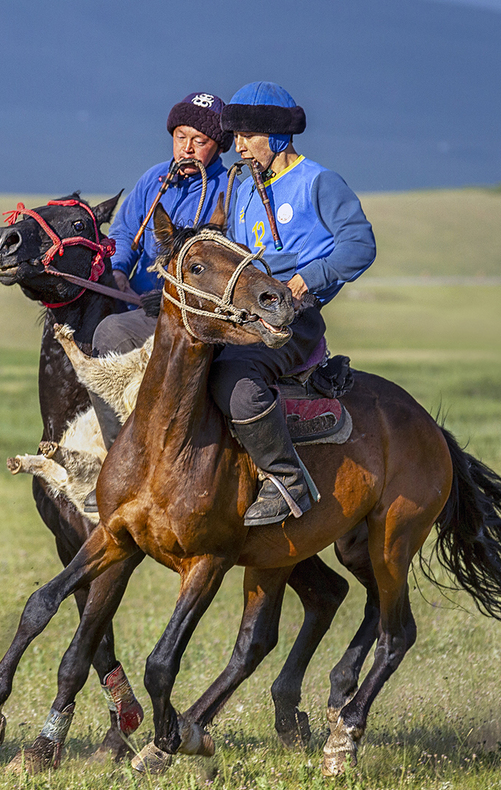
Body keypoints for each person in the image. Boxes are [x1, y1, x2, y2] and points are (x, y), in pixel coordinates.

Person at [215, 80, 375, 525]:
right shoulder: (245, 189)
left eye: (248, 136)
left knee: (237, 379)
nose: (240, 147)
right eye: (237, 137)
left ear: (278, 135)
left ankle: (287, 480)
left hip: (295, 317)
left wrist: (309, 279)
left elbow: (360, 244)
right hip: (248, 313)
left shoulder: (318, 181)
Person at [82, 91, 233, 513]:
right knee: (95, 332)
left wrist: (166, 297)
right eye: (180, 136)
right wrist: (116, 272)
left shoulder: (227, 189)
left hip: (190, 319)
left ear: (217, 145)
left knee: (111, 331)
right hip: (140, 308)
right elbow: (124, 237)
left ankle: (136, 461)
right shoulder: (154, 180)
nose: (187, 147)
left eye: (199, 140)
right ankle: (119, 457)